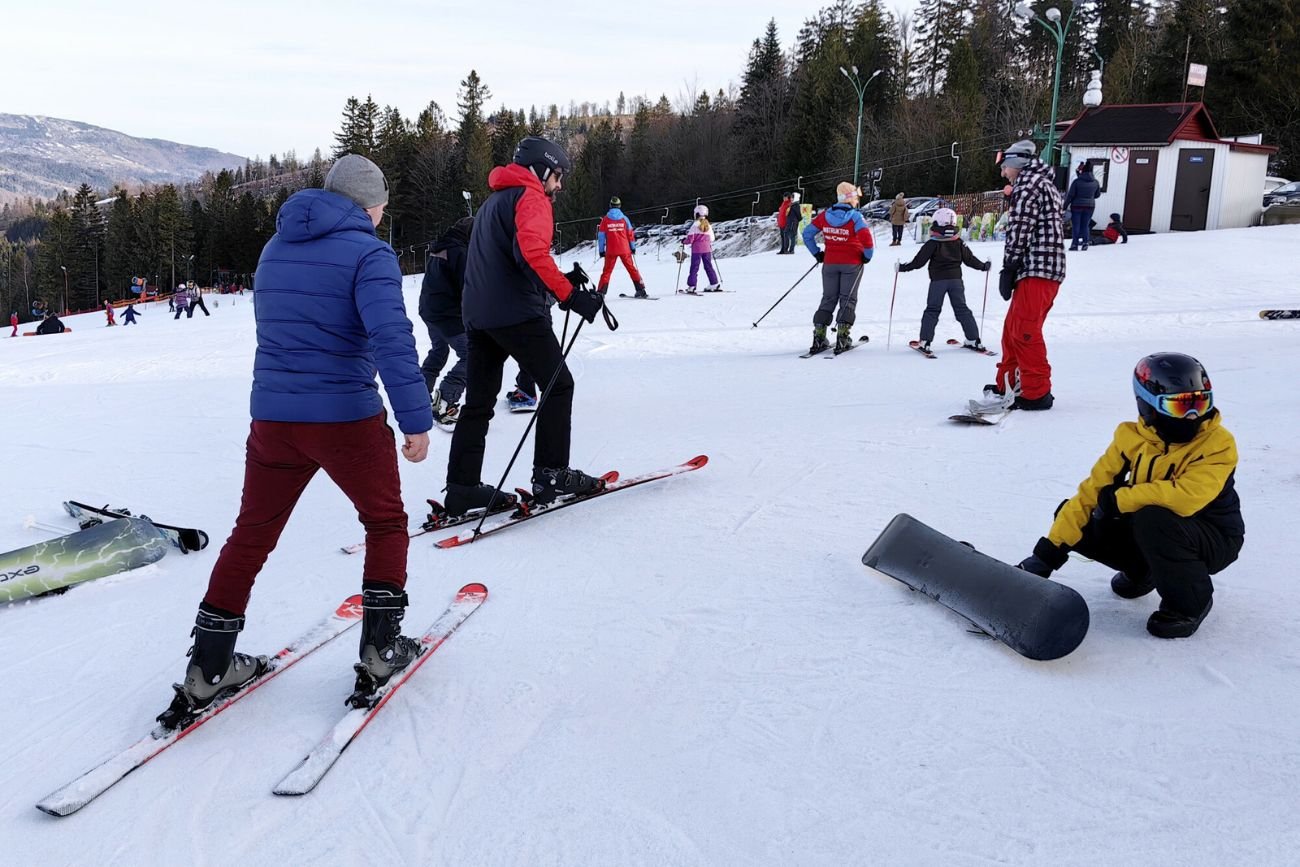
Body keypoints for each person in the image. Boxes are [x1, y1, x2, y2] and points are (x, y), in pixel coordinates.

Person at [157, 154, 433, 727]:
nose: (382, 215)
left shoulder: (275, 247)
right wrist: (415, 419)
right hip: (345, 417)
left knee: (252, 534)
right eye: (382, 206)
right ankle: (381, 650)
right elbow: (391, 337)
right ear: (369, 204)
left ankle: (208, 667)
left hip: (274, 419)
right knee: (385, 522)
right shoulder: (370, 253)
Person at [1017, 353, 1243, 639]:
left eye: (1200, 404)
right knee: (1080, 514)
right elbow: (1091, 492)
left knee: (1152, 516)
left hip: (1214, 538)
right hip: (1160, 530)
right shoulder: (1131, 439)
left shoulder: (1218, 444)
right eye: (1179, 406)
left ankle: (1189, 603)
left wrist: (1121, 499)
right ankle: (1143, 572)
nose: (1192, 417)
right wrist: (1046, 554)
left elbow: (1188, 497)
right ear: (1147, 404)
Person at [444, 135, 608, 517]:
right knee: (558, 384)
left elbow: (512, 258)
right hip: (516, 313)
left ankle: (461, 487)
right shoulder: (531, 197)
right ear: (541, 170)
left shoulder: (493, 202)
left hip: (479, 316)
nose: (559, 185)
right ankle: (551, 473)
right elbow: (532, 254)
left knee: (478, 403)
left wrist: (560, 280)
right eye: (557, 175)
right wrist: (571, 296)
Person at [989, 139, 1066, 411]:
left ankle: (1036, 392)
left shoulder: (1028, 184)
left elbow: (1020, 229)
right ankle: (1009, 382)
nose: (1003, 173)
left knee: (1024, 330)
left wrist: (1009, 266)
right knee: (1012, 328)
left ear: (1017, 163)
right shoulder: (1041, 183)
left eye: (1005, 167)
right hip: (1038, 268)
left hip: (1038, 268)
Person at [896, 207, 991, 353]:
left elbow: (918, 262)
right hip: (956, 281)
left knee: (932, 310)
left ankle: (925, 341)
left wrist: (902, 268)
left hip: (938, 282)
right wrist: (984, 266)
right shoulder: (958, 241)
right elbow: (970, 260)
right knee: (962, 309)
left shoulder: (933, 243)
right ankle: (974, 339)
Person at [802, 181, 875, 354]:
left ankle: (819, 336)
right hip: (852, 263)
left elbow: (807, 234)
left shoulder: (825, 215)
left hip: (830, 263)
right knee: (848, 298)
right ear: (851, 199)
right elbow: (867, 239)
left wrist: (817, 253)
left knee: (828, 298)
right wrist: (867, 256)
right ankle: (842, 336)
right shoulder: (855, 217)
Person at [418, 217, 474, 429]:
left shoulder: (442, 246)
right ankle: (445, 401)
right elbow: (468, 288)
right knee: (471, 355)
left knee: (438, 351)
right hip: (448, 316)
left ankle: (418, 396)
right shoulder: (460, 252)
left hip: (430, 311)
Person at [596, 196, 647, 297]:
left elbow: (601, 236)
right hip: (625, 249)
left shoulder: (605, 220)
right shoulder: (625, 219)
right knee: (631, 269)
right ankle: (641, 289)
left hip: (611, 250)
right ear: (619, 206)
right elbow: (630, 234)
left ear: (610, 205)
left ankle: (601, 292)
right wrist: (633, 247)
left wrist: (601, 250)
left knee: (607, 271)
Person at [682, 205, 720, 293]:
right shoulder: (708, 225)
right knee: (708, 266)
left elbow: (690, 240)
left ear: (696, 214)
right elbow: (712, 238)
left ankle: (692, 286)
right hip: (707, 249)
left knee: (694, 267)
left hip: (697, 250)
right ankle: (714, 283)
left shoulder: (695, 225)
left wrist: (684, 241)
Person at [1063, 162, 1101, 251]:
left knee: (1076, 225)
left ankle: (1074, 244)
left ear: (1082, 171)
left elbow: (1070, 195)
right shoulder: (1095, 182)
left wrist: (1064, 206)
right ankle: (1085, 243)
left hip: (1077, 206)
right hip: (1090, 206)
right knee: (1085, 225)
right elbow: (1097, 195)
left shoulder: (1076, 182)